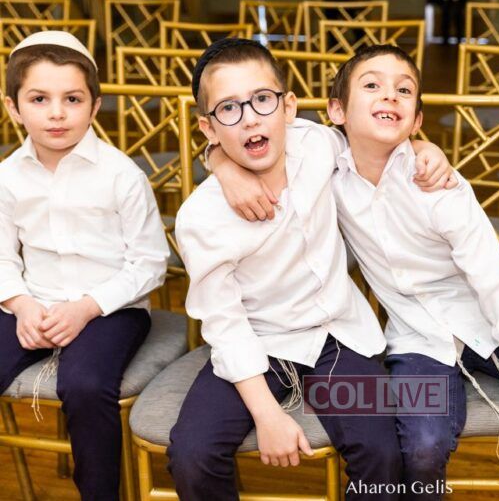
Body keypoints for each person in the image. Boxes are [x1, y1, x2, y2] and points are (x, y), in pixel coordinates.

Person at [212, 44, 499, 499]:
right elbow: (247, 133)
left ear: (416, 119)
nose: (389, 96)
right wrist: (220, 165)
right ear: (336, 111)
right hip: (415, 339)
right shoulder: (321, 165)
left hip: (485, 322)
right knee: (422, 447)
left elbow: (497, 288)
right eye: (372, 86)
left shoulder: (438, 185)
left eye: (403, 91)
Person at [168, 37, 453, 501]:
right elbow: (225, 325)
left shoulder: (317, 144)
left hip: (334, 338)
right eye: (229, 109)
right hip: (256, 345)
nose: (250, 118)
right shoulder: (201, 218)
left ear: (289, 106)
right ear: (208, 127)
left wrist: (423, 144)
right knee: (192, 455)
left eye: (262, 99)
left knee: (382, 451)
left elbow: (376, 135)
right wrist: (267, 415)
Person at [0, 31, 169, 500]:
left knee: (86, 384)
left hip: (111, 308)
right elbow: (2, 256)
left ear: (94, 107)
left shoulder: (121, 175)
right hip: (33, 302)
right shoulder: (7, 176)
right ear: (14, 107)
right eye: (39, 99)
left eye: (72, 99)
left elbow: (150, 263)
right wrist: (21, 303)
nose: (56, 113)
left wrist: (87, 308)